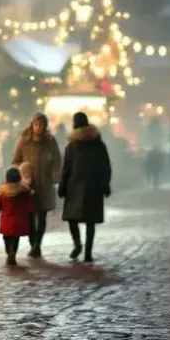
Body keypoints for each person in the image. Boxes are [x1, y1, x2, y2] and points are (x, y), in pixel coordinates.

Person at [59, 112, 112, 262]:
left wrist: (62, 187)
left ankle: (77, 245)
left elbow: (66, 169)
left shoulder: (71, 146)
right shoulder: (99, 144)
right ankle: (88, 252)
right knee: (90, 221)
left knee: (72, 219)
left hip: (73, 187)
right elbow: (106, 166)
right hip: (93, 187)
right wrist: (105, 184)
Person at [12, 112, 62, 258]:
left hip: (45, 184)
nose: (38, 128)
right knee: (29, 216)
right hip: (29, 184)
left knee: (42, 215)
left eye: (41, 125)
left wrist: (54, 175)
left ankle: (37, 245)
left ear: (45, 126)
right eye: (36, 124)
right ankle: (32, 241)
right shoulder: (24, 140)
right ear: (32, 125)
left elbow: (57, 160)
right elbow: (15, 160)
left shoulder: (50, 141)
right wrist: (23, 173)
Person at [0, 166, 32, 267]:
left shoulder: (3, 192)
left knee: (6, 238)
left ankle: (9, 252)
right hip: (19, 221)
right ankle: (13, 253)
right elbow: (29, 206)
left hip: (6, 222)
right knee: (16, 239)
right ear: (19, 178)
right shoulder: (24, 192)